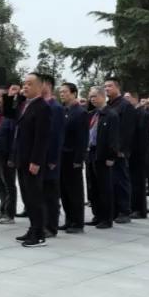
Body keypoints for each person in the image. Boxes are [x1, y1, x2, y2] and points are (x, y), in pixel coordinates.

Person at [2, 73, 52, 248]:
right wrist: (10, 96)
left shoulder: (42, 107)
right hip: (21, 158)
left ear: (40, 87)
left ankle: (39, 235)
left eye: (30, 84)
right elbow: (8, 113)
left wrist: (36, 161)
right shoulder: (25, 105)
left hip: (32, 160)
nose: (25, 87)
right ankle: (33, 229)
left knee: (34, 197)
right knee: (27, 197)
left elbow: (42, 137)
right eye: (24, 83)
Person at [85, 87, 118, 229]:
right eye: (90, 97)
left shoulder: (111, 114)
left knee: (104, 187)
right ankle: (97, 215)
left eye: (95, 96)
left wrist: (111, 156)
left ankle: (106, 218)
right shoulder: (92, 114)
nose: (92, 99)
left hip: (103, 155)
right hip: (91, 152)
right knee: (93, 187)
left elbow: (114, 137)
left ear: (103, 96)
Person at [104, 78, 136, 223]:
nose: (107, 88)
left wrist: (122, 149)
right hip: (108, 149)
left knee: (121, 181)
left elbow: (128, 130)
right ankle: (114, 210)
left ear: (118, 88)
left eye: (110, 86)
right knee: (111, 181)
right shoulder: (108, 105)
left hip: (119, 151)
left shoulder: (125, 105)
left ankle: (124, 211)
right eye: (105, 86)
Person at [59, 82, 89, 233]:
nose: (62, 94)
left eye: (65, 91)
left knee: (74, 191)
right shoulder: (64, 110)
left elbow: (82, 139)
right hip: (62, 156)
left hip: (73, 157)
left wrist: (79, 159)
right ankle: (69, 219)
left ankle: (77, 222)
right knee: (64, 191)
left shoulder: (80, 112)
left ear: (74, 93)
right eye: (61, 92)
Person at [40, 75, 66, 236]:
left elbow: (56, 135)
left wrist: (53, 159)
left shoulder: (55, 108)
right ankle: (41, 224)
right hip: (38, 156)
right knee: (40, 193)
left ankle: (51, 226)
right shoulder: (39, 105)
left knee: (50, 194)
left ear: (48, 85)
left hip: (49, 157)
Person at [0, 87, 17, 225]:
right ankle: (2, 210)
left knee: (9, 185)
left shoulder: (11, 115)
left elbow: (14, 138)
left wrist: (12, 157)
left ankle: (10, 214)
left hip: (7, 155)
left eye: (1, 96)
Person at [127, 91, 149, 218]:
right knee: (131, 181)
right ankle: (132, 207)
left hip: (139, 153)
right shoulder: (131, 112)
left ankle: (139, 210)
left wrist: (142, 153)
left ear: (135, 99)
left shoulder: (142, 113)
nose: (125, 100)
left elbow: (143, 136)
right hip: (131, 153)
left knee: (138, 182)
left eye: (128, 98)